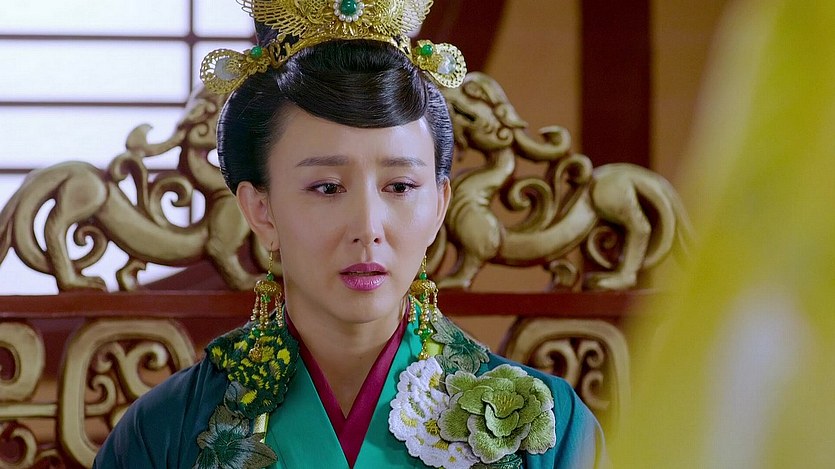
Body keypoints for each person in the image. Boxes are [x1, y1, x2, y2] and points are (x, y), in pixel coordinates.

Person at [94, 1, 606, 468]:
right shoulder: (165, 433)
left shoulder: (551, 431)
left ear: (439, 206)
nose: (367, 228)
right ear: (261, 209)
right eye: (327, 187)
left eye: (400, 186)